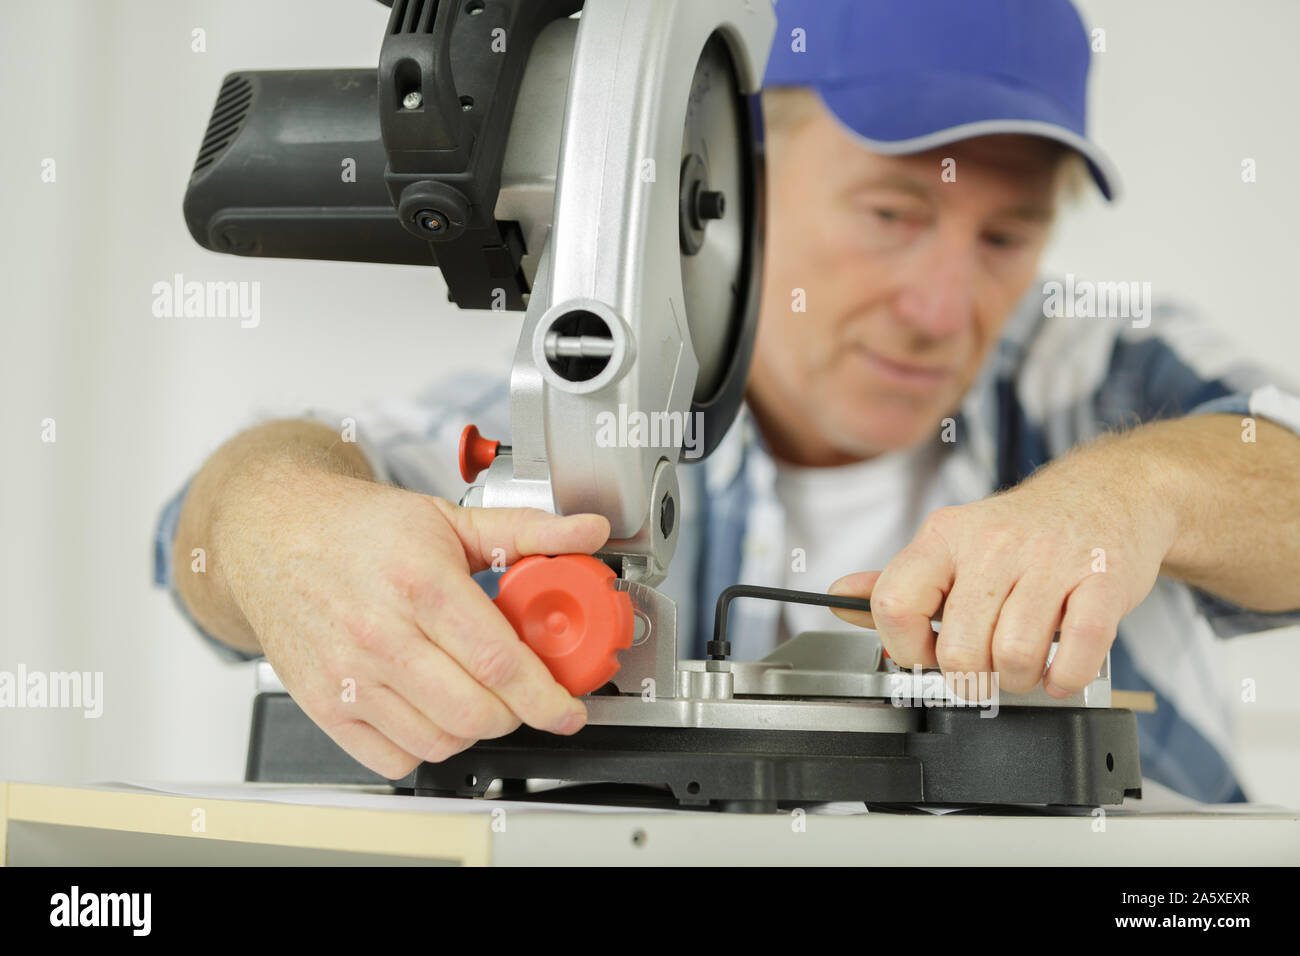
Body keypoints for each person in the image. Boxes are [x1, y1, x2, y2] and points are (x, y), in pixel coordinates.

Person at [154, 0, 1300, 802]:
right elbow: (201, 535)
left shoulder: (1089, 369)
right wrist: (274, 530)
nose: (944, 305)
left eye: (1006, 233)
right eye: (891, 213)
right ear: (734, 174)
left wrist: (1131, 496)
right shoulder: (604, 379)